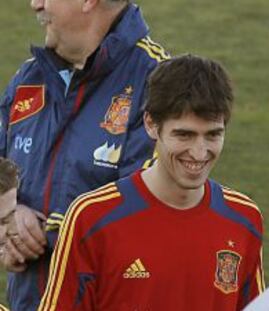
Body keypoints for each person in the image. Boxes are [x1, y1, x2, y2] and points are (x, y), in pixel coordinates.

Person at [38, 54, 264, 311]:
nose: (200, 152)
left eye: (213, 135)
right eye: (184, 135)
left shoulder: (244, 219)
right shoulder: (91, 218)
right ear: (151, 125)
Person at [0, 0, 169, 309]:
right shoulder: (28, 80)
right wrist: (8, 222)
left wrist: (37, 232)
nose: (34, 3)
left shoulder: (157, 81)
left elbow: (146, 207)